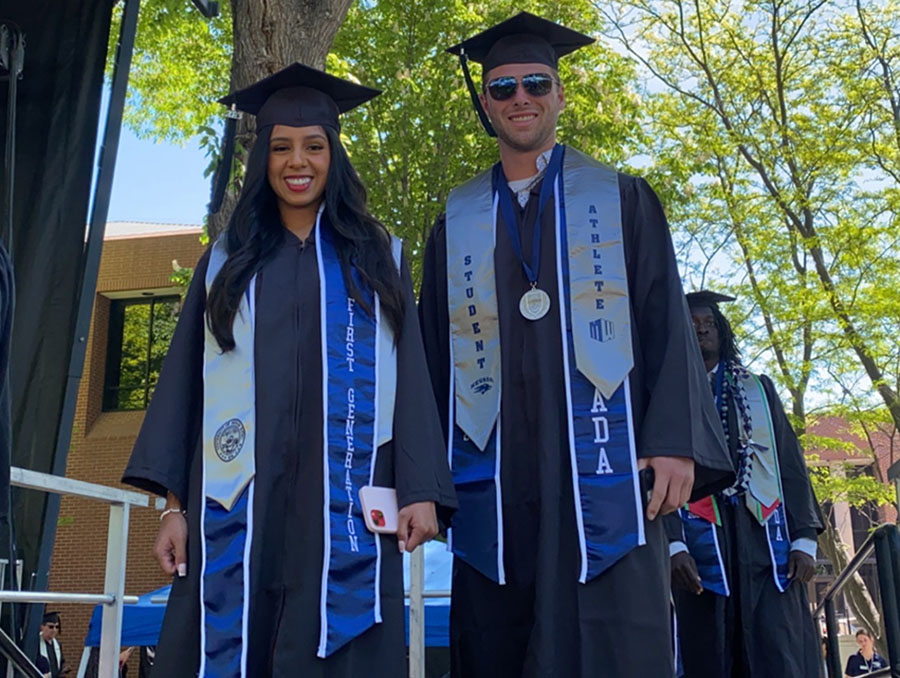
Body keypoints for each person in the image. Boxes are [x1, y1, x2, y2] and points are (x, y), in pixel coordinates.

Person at [418, 12, 735, 677]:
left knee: (612, 642)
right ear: (486, 104)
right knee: (498, 641)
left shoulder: (619, 200)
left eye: (536, 82)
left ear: (560, 94)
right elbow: (428, 360)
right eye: (503, 89)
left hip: (609, 472)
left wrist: (675, 437)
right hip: (496, 485)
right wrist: (422, 479)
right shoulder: (457, 222)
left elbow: (663, 320)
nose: (521, 98)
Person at [123, 63, 457, 678]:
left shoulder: (376, 258)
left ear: (334, 155)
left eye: (313, 146)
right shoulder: (226, 263)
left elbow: (412, 381)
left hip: (347, 506)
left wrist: (420, 491)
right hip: (241, 503)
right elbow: (185, 392)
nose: (296, 162)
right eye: (280, 147)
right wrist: (174, 508)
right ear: (262, 160)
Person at [667, 290, 824, 677]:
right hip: (699, 538)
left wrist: (804, 537)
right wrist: (671, 544)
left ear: (724, 332)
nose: (702, 330)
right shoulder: (665, 395)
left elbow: (790, 463)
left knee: (773, 646)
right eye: (693, 325)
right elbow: (656, 474)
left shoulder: (758, 388)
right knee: (709, 645)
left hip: (763, 537)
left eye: (709, 324)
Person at [37, 612, 66, 677]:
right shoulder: (36, 645)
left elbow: (61, 666)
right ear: (42, 627)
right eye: (51, 627)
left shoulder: (58, 645)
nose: (54, 630)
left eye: (57, 627)